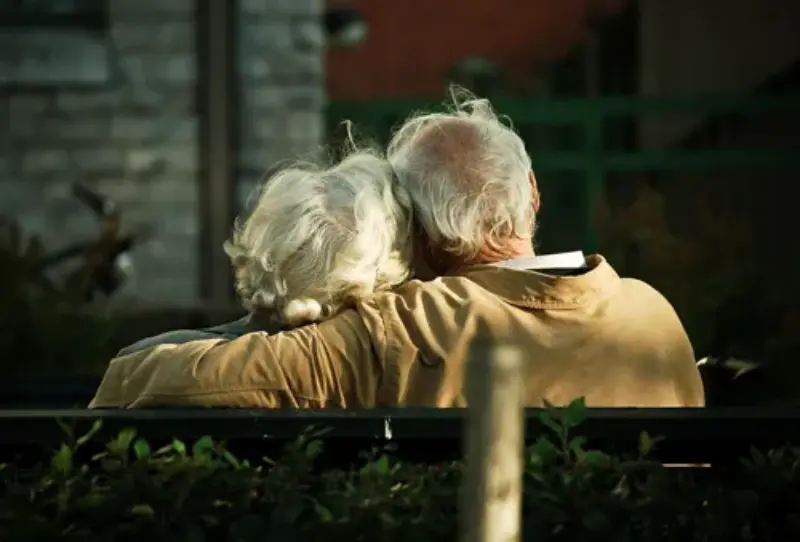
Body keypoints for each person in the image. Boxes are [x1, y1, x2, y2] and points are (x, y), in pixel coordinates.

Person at [90, 88, 705, 409]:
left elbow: (166, 381)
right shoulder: (655, 317)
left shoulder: (404, 331)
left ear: (421, 236)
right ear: (534, 193)